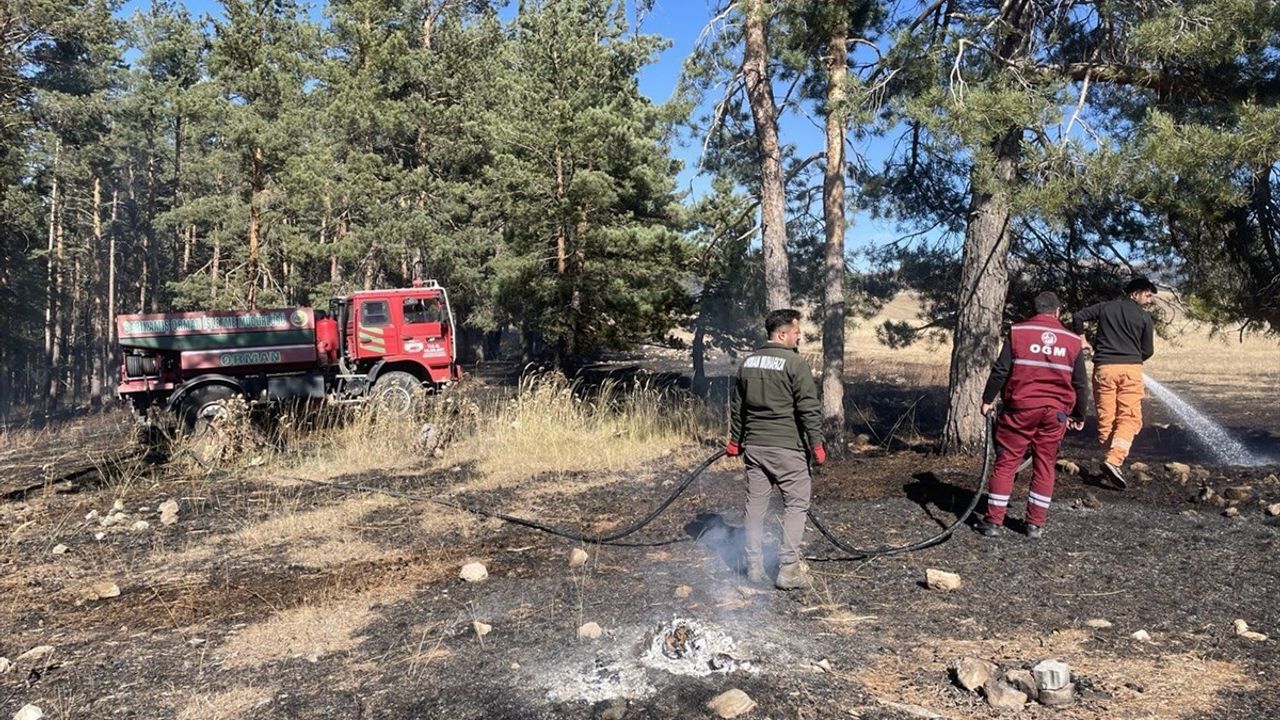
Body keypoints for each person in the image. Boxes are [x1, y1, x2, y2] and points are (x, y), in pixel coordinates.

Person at [975, 292, 1088, 539]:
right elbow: (1080, 382)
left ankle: (993, 522)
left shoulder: (1018, 332)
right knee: (1045, 464)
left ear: (1035, 310)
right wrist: (1080, 414)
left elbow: (1001, 370)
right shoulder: (1072, 340)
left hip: (1020, 410)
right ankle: (1034, 525)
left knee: (1006, 463)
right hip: (1055, 414)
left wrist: (987, 400)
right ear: (1057, 312)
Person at [726, 308, 825, 590]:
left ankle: (754, 567)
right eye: (796, 331)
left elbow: (738, 408)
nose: (799, 335)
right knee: (796, 504)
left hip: (755, 448)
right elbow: (808, 407)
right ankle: (789, 571)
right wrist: (816, 444)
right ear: (781, 333)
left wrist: (736, 440)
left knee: (755, 507)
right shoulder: (794, 363)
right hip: (787, 449)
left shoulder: (748, 363)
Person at [1070, 277, 1157, 488]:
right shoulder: (1144, 318)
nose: (1149, 299)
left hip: (1104, 370)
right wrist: (1131, 357)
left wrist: (1082, 339)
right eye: (1147, 294)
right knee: (1130, 418)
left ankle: (1111, 462)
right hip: (1130, 371)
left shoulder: (1105, 308)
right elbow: (1148, 351)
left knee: (1106, 419)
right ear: (1134, 293)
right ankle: (1114, 460)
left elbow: (1078, 316)